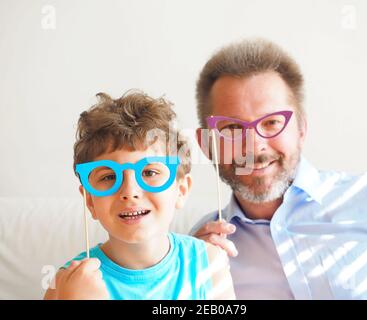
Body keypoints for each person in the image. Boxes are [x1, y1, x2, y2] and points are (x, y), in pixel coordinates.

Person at [191, 38, 367, 299]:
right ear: (206, 145)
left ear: (301, 128)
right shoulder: (198, 251)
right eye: (233, 129)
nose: (255, 147)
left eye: (271, 123)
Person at [44, 91, 235, 300]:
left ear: (181, 190)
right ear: (90, 200)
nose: (129, 192)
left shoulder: (208, 263)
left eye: (149, 173)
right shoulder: (66, 285)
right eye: (108, 177)